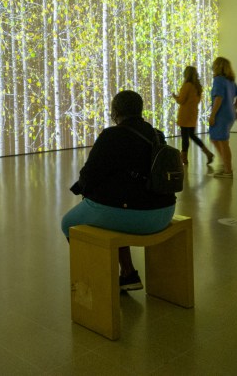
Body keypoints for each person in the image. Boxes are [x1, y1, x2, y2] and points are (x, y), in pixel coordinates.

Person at [61, 90, 176, 291]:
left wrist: (85, 190)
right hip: (165, 211)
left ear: (115, 112)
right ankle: (128, 273)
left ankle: (99, 281)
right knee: (117, 207)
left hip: (136, 217)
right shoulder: (156, 134)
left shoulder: (111, 136)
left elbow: (88, 176)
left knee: (68, 223)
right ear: (140, 110)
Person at [208, 57, 237, 178]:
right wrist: (234, 107)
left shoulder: (218, 80)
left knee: (223, 142)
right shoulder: (230, 81)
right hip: (229, 115)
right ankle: (225, 164)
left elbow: (218, 98)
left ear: (217, 67)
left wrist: (212, 115)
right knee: (215, 139)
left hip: (221, 115)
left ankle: (228, 170)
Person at [173, 65, 215, 166]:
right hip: (193, 114)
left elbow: (181, 100)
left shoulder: (187, 85)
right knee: (192, 135)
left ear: (187, 74)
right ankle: (207, 152)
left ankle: (184, 158)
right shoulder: (197, 87)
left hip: (185, 115)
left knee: (185, 137)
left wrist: (175, 97)